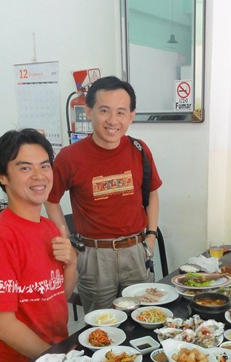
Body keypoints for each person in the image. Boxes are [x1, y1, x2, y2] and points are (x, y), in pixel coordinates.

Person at [45, 76, 162, 313]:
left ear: (131, 116)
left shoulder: (139, 150)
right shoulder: (70, 156)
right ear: (89, 111)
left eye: (121, 112)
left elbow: (152, 193)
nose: (112, 120)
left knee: (143, 316)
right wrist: (65, 238)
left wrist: (151, 236)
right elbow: (50, 199)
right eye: (104, 110)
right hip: (95, 257)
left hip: (136, 251)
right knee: (102, 323)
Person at [0, 128, 77, 362]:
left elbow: (58, 296)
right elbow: (1, 324)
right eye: (25, 168)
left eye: (45, 166)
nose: (39, 176)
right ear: (2, 176)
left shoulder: (49, 228)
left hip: (52, 358)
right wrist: (56, 361)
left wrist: (72, 262)